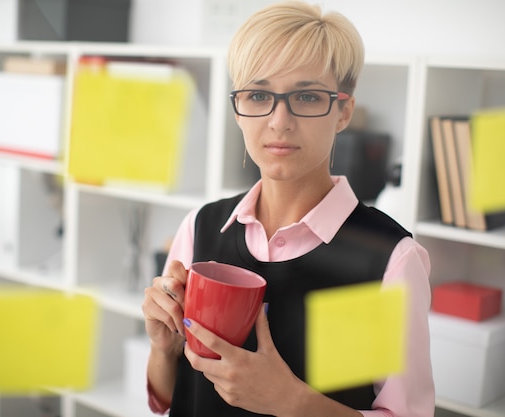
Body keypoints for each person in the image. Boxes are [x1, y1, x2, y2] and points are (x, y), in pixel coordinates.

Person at [141, 2, 435, 416]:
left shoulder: (389, 261)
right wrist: (163, 347)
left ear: (343, 112)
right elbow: (168, 400)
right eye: (259, 95)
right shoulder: (201, 227)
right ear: (239, 111)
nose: (279, 121)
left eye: (308, 96)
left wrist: (291, 402)